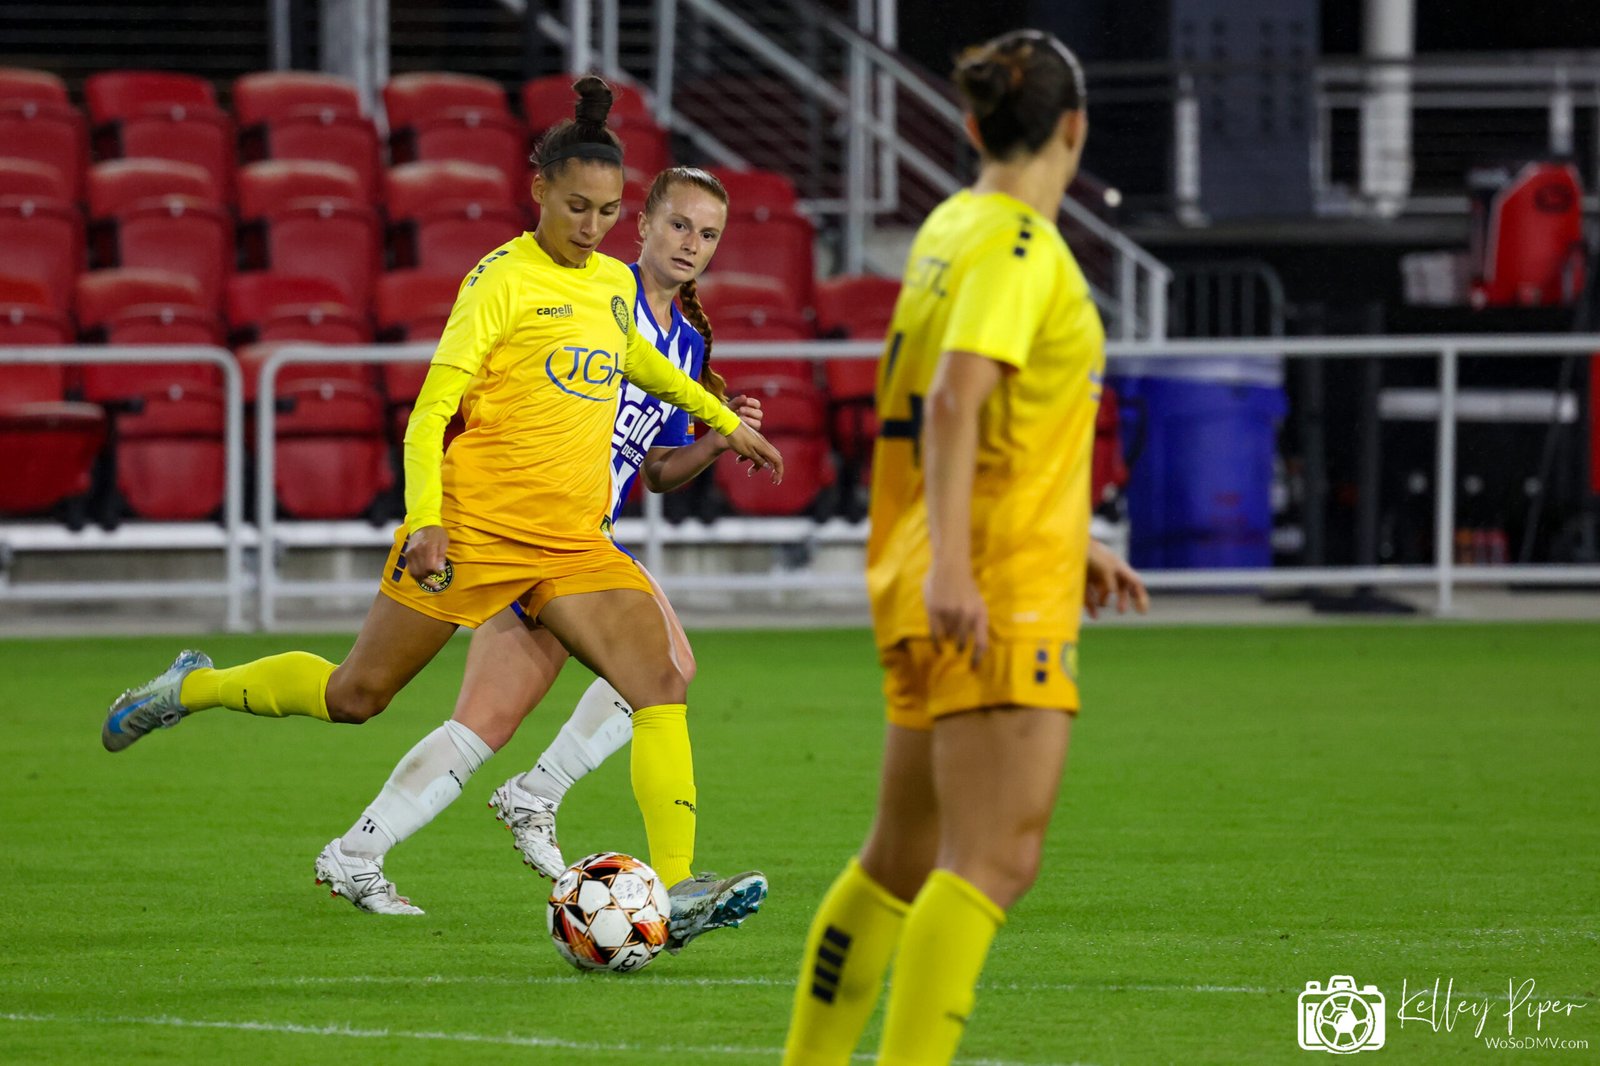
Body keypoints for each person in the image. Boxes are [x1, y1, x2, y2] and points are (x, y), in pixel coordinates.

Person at [100, 78, 784, 947]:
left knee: (659, 681)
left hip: (572, 539)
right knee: (356, 695)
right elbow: (430, 413)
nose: (591, 226)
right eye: (577, 207)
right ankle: (190, 687)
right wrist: (426, 517)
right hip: (477, 528)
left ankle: (678, 888)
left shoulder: (614, 285)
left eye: (607, 211)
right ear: (539, 192)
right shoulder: (499, 281)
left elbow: (643, 367)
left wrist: (725, 423)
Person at [780, 30, 1148, 1066]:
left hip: (932, 564)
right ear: (1073, 129)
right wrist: (960, 563)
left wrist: (1067, 535)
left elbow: (983, 421)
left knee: (898, 858)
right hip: (988, 585)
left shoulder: (950, 226)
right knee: (993, 860)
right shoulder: (1021, 248)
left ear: (974, 126)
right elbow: (953, 401)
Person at [314, 166, 768, 947]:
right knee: (662, 670)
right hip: (514, 523)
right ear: (641, 226)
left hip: (577, 538)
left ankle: (359, 850)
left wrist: (718, 438)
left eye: (708, 234)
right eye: (678, 225)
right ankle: (548, 801)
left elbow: (658, 468)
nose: (691, 244)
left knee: (488, 720)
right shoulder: (592, 285)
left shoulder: (688, 343)